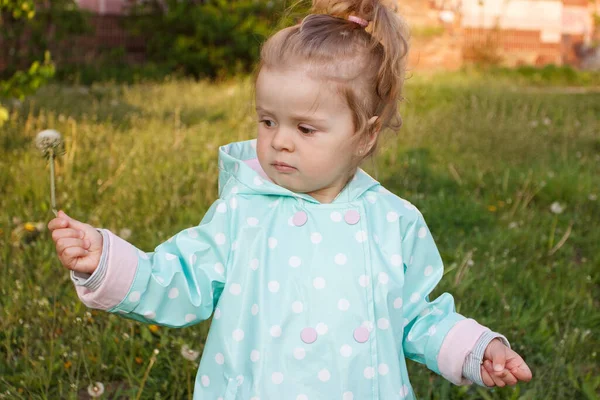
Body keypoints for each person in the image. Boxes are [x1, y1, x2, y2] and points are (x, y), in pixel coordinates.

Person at [48, 0, 532, 398]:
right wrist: (104, 261)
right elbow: (182, 278)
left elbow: (415, 315)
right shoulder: (243, 211)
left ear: (366, 135)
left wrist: (475, 348)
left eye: (305, 128)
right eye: (267, 121)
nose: (280, 140)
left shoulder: (394, 222)